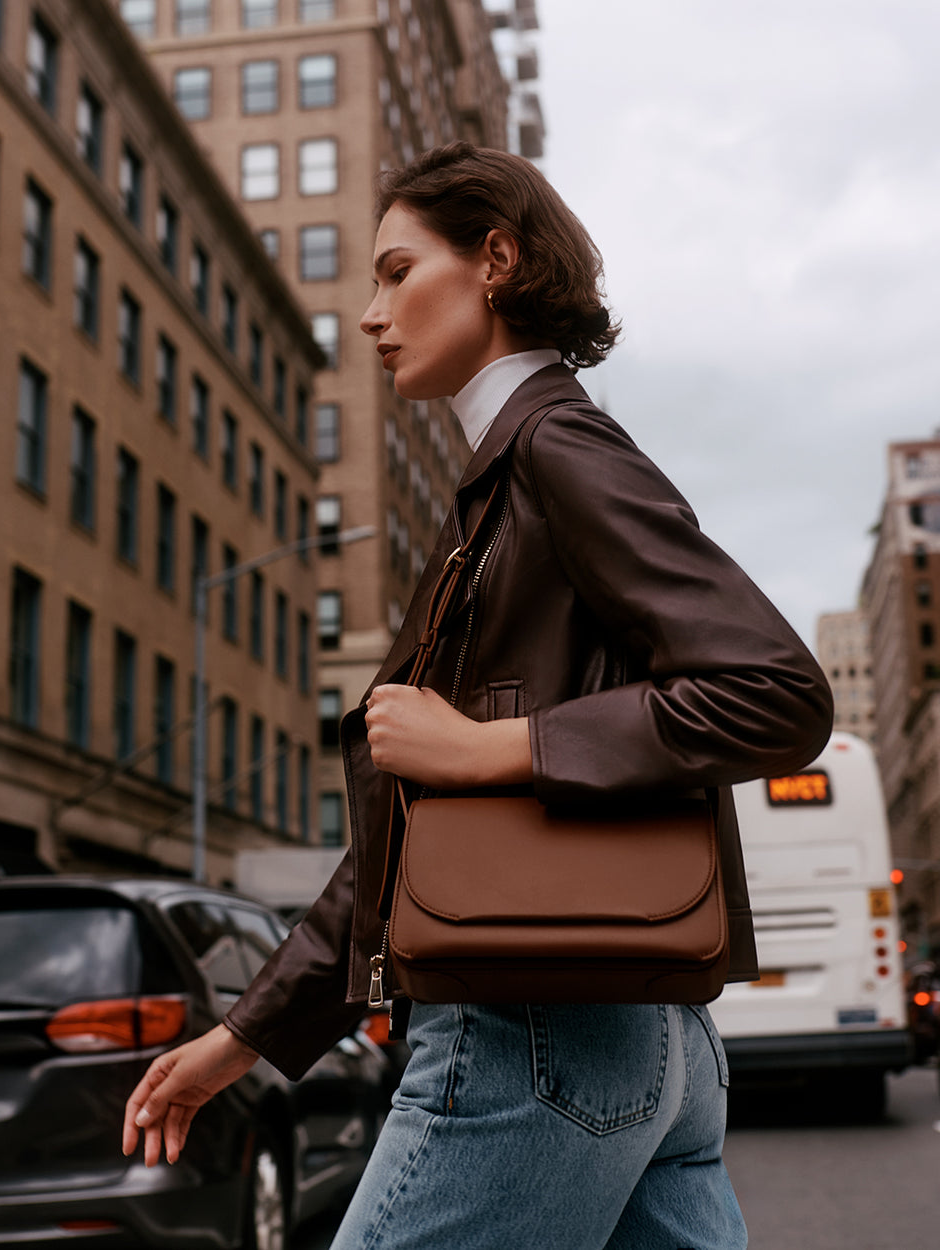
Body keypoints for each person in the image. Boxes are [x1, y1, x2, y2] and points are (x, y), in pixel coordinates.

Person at [123, 143, 833, 1248]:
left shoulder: (555, 443)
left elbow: (773, 690)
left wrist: (492, 749)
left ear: (494, 259)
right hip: (650, 1040)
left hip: (535, 1031)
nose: (369, 314)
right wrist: (243, 1037)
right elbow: (407, 840)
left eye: (396, 271)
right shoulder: (502, 484)